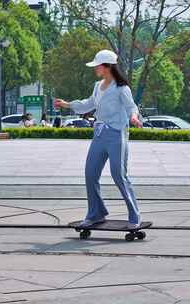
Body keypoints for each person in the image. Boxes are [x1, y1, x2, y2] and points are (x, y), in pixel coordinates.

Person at [54, 49, 143, 229]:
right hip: (99, 134)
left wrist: (134, 117)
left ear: (107, 66)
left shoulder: (121, 88)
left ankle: (134, 215)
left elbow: (131, 107)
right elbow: (89, 103)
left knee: (119, 175)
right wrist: (68, 104)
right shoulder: (98, 86)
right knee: (90, 173)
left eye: (97, 66)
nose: (95, 69)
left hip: (116, 135)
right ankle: (96, 213)